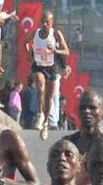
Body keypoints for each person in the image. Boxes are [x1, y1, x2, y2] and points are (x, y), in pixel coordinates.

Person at [27, 11, 71, 139]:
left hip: (52, 68)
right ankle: (41, 116)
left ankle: (47, 122)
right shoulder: (36, 33)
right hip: (39, 65)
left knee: (51, 96)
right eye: (42, 21)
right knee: (40, 87)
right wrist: (29, 55)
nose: (44, 24)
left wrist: (55, 51)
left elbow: (66, 52)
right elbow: (25, 42)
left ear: (52, 23)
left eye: (47, 22)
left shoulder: (56, 34)